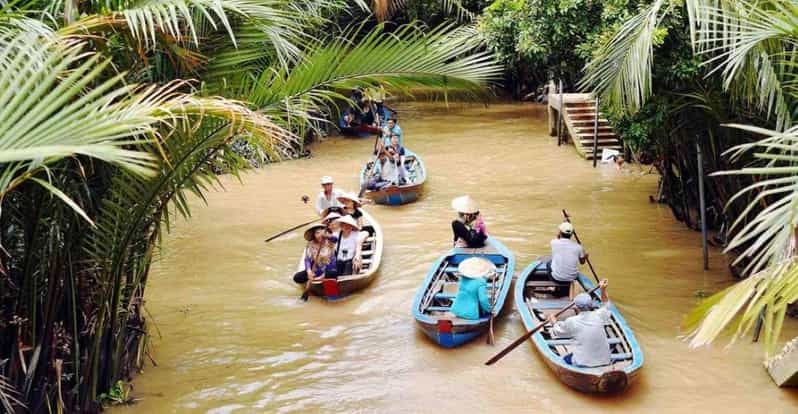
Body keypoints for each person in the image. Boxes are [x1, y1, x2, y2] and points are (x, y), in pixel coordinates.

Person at [548, 279, 612, 367]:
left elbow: (558, 332)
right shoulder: (600, 315)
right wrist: (603, 289)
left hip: (583, 363)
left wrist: (554, 322)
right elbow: (606, 304)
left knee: (565, 359)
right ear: (591, 305)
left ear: (576, 307)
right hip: (605, 360)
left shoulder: (572, 321)